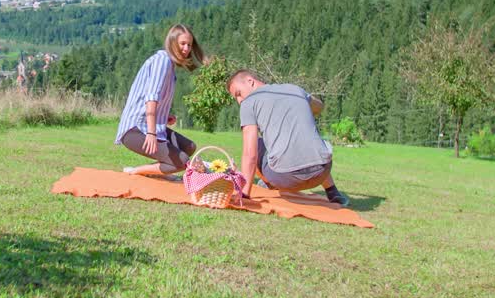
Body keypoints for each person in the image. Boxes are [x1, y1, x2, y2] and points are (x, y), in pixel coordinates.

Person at [226, 69, 349, 206]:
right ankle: (332, 192)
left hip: (286, 179)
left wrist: (244, 193)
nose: (239, 101)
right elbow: (319, 106)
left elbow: (250, 154)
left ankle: (269, 183)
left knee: (259, 144)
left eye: (238, 94)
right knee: (311, 141)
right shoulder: (294, 89)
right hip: (322, 172)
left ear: (250, 81)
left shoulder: (249, 103)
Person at [116, 24, 205, 176]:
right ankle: (136, 172)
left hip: (151, 126)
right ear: (172, 42)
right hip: (135, 129)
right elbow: (151, 98)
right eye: (182, 44)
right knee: (183, 161)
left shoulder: (169, 65)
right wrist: (151, 134)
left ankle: (155, 170)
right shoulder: (162, 61)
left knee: (189, 147)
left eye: (189, 45)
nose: (186, 49)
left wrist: (165, 116)